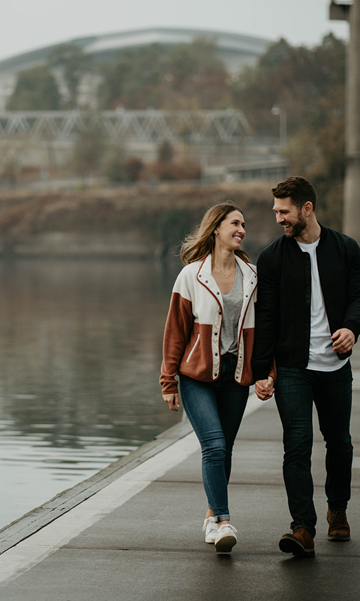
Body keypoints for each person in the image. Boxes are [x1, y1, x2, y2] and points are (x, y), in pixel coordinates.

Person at [252, 176, 360, 558]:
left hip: (335, 367)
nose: (279, 219)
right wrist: (261, 372)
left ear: (307, 209)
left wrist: (352, 328)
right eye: (275, 212)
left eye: (284, 212)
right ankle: (302, 527)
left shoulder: (345, 248)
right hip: (292, 369)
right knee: (297, 446)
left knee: (340, 443)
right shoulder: (271, 258)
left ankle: (338, 510)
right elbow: (266, 317)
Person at [160, 202, 260, 554]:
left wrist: (267, 373)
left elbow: (261, 332)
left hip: (235, 376)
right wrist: (168, 382)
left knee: (224, 450)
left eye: (244, 224)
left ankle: (210, 517)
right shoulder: (191, 276)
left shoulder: (251, 275)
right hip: (196, 376)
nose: (242, 229)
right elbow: (175, 333)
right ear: (216, 227)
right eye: (235, 223)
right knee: (214, 446)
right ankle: (223, 520)